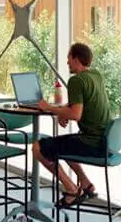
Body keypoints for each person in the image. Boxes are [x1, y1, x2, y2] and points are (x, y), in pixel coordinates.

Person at [32, 42, 111, 207]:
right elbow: (80, 104)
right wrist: (62, 110)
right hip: (105, 141)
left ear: (76, 59)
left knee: (38, 148)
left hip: (91, 142)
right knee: (64, 144)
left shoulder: (76, 81)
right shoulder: (95, 75)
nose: (67, 61)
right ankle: (86, 183)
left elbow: (76, 114)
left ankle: (71, 189)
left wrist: (49, 108)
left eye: (69, 57)